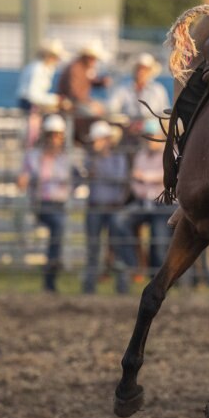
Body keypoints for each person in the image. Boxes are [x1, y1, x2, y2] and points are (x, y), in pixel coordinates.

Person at [17, 114, 77, 292]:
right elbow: (23, 177)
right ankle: (51, 268)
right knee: (58, 226)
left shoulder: (66, 158)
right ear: (45, 136)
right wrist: (24, 180)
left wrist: (69, 188)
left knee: (58, 228)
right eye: (51, 135)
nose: (54, 139)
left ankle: (50, 273)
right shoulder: (34, 156)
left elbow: (77, 179)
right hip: (41, 203)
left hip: (59, 204)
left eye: (57, 135)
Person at [112, 120, 173, 278]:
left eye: (152, 136)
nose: (149, 140)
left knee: (159, 242)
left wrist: (145, 178)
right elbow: (134, 181)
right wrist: (147, 183)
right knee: (119, 220)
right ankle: (132, 265)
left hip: (163, 204)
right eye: (147, 136)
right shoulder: (141, 154)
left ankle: (159, 278)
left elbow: (168, 177)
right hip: (143, 201)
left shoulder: (171, 153)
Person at [81, 121, 131, 294]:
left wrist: (98, 171)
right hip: (95, 207)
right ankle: (89, 287)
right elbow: (84, 174)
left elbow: (119, 178)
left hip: (113, 207)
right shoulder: (90, 158)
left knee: (118, 247)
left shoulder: (118, 158)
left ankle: (122, 287)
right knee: (93, 247)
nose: (94, 143)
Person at [108, 53, 170, 133]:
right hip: (127, 126)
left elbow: (164, 113)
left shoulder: (158, 89)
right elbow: (112, 108)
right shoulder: (123, 88)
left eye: (145, 69)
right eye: (139, 68)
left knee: (153, 128)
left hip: (152, 127)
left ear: (150, 72)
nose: (141, 72)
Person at [57, 40, 113, 118]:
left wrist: (101, 82)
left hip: (78, 102)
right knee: (93, 113)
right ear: (86, 57)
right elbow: (74, 93)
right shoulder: (75, 69)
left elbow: (89, 82)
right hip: (70, 103)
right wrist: (90, 103)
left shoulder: (84, 68)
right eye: (93, 58)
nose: (95, 61)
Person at [16, 38, 67, 112]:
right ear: (49, 56)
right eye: (56, 58)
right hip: (30, 106)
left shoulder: (42, 68)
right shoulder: (38, 69)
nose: (57, 61)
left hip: (30, 104)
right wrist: (55, 100)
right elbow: (33, 96)